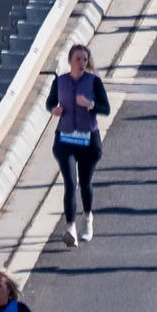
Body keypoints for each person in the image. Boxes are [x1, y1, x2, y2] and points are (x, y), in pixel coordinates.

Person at [44, 44, 110, 246]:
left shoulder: (94, 81)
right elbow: (50, 102)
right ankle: (70, 228)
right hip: (65, 140)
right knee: (70, 183)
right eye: (78, 59)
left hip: (88, 140)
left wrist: (89, 105)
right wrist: (54, 110)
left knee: (85, 183)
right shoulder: (61, 81)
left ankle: (88, 218)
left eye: (84, 59)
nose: (82, 63)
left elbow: (105, 108)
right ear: (70, 61)